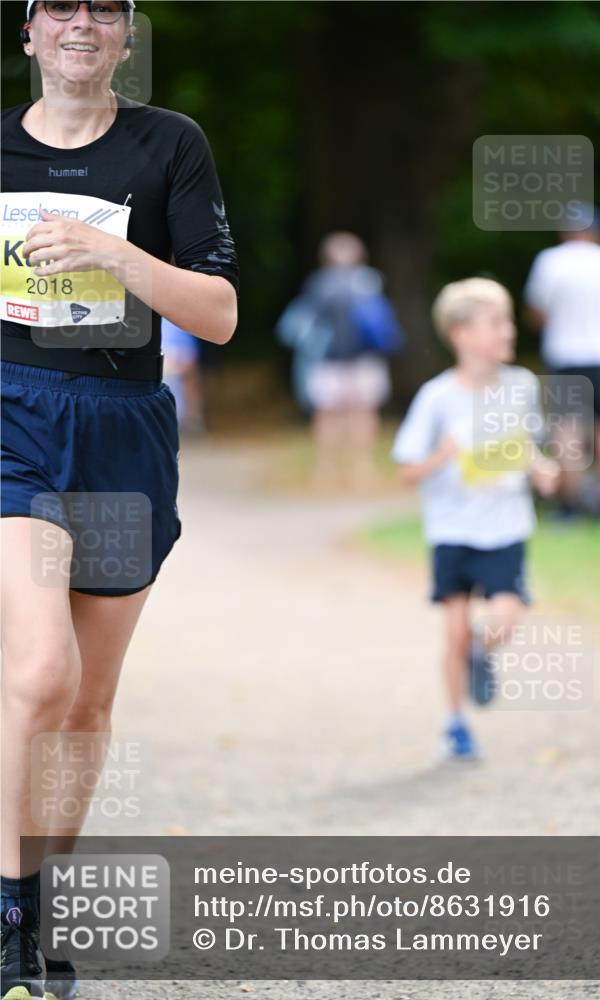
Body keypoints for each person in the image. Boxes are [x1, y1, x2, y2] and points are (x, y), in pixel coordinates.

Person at [0, 3, 239, 998]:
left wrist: (119, 259)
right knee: (40, 671)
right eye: (61, 6)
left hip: (121, 424)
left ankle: (42, 895)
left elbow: (219, 315)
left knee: (88, 705)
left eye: (104, 8)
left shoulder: (167, 144)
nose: (82, 23)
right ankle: (8, 916)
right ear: (28, 32)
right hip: (11, 416)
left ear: (128, 34)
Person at [392, 278, 557, 761]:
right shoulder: (437, 398)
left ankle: (483, 649)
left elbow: (526, 446)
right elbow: (406, 471)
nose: (509, 331)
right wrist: (442, 455)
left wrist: (541, 469)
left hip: (505, 527)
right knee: (454, 630)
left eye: (508, 321)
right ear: (461, 334)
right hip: (453, 530)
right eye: (497, 323)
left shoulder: (522, 386)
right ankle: (455, 723)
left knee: (506, 615)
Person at [524, 207, 600, 519]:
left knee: (566, 428)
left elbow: (536, 313)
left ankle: (570, 504)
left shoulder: (550, 261)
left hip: (564, 353)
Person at [279, 232, 400, 488]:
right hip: (339, 360)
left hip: (346, 359)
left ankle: (351, 468)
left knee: (355, 412)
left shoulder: (328, 284)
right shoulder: (366, 282)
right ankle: (337, 468)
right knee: (338, 413)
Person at [161, 318, 206, 435]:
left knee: (189, 377)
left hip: (177, 358)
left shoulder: (177, 319)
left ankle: (192, 418)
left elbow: (189, 352)